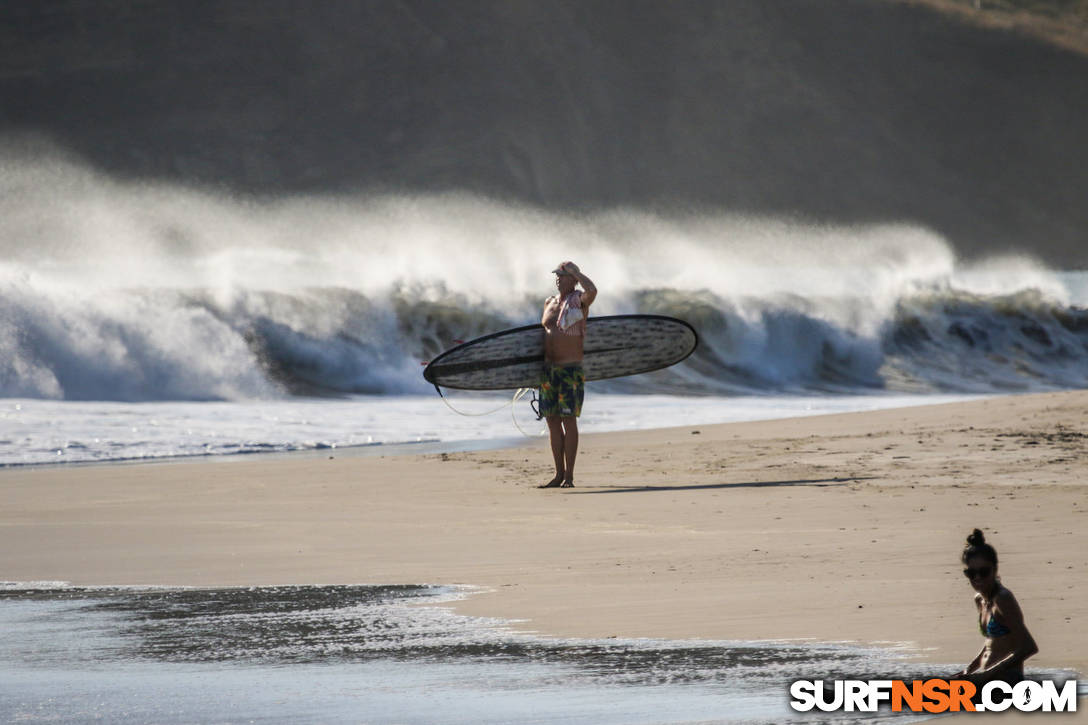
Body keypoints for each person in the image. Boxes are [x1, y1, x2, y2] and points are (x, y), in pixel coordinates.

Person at [537, 261, 596, 488]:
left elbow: (593, 291)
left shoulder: (579, 300)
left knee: (568, 421)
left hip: (570, 370)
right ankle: (558, 474)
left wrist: (578, 273)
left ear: (573, 279)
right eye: (558, 275)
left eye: (563, 275)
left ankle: (569, 476)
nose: (558, 278)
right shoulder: (549, 302)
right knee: (552, 421)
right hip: (548, 371)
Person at [954, 529, 1038, 688]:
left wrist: (987, 674)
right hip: (987, 680)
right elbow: (992, 642)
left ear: (995, 570)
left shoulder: (1003, 599)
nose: (977, 578)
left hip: (1008, 682)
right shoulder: (980, 599)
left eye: (983, 572)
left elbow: (1028, 647)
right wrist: (969, 670)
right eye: (971, 573)